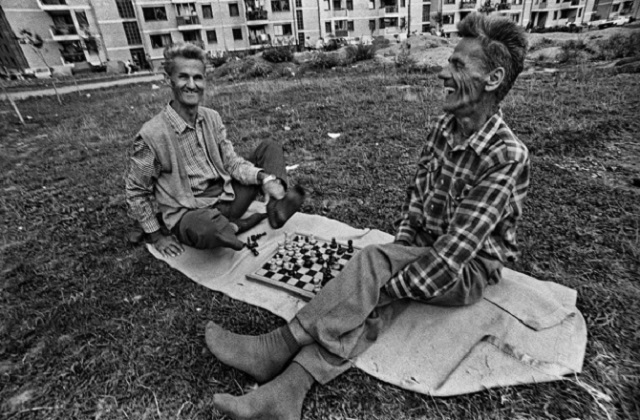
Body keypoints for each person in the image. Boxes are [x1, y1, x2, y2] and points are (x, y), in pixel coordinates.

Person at [205, 13, 530, 420]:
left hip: (467, 269)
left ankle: (277, 347)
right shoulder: (443, 128)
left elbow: (451, 259)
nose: (443, 73)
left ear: (494, 79)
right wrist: (395, 257)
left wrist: (381, 281)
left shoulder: (507, 156)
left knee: (370, 272)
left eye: (458, 65)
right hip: (424, 249)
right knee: (365, 300)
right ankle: (287, 392)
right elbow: (418, 201)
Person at [125, 43, 304, 258]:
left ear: (205, 81)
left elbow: (232, 163)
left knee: (270, 147)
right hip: (191, 213)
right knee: (208, 228)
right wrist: (156, 236)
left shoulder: (211, 117)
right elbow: (136, 191)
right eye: (183, 77)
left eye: (198, 78)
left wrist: (265, 179)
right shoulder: (151, 135)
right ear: (168, 80)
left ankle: (274, 207)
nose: (191, 85)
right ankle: (235, 227)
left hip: (228, 199)